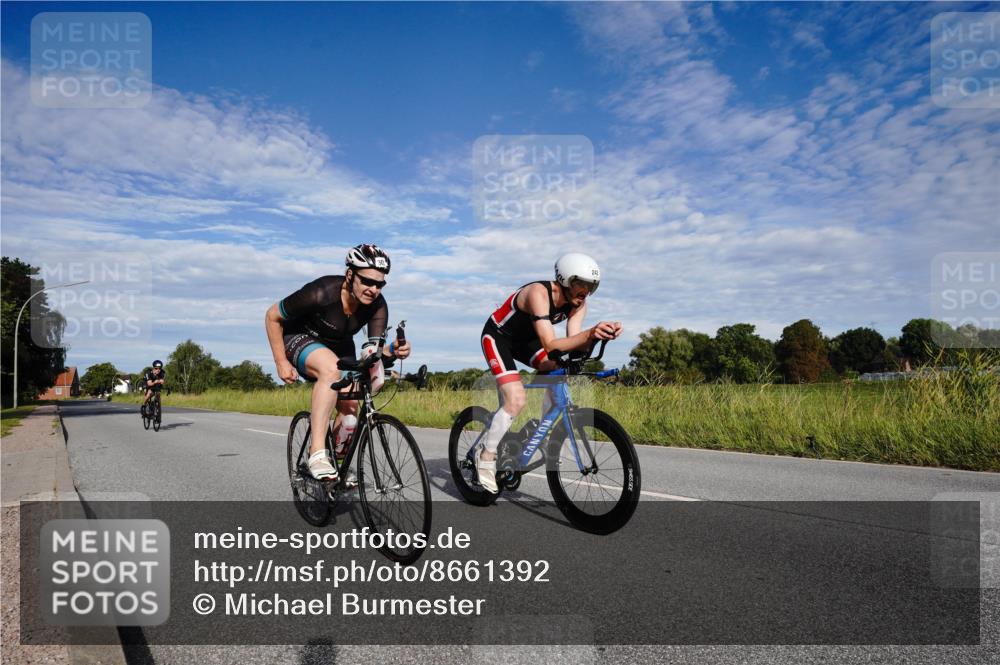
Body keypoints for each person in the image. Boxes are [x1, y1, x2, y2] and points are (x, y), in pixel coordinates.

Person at [264, 244, 411, 482]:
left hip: (340, 345)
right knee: (331, 369)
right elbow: (272, 316)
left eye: (380, 284)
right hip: (300, 337)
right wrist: (281, 361)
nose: (373, 289)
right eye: (367, 281)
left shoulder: (378, 305)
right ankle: (317, 453)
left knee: (351, 408)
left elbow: (372, 353)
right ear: (350, 275)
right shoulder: (321, 292)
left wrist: (392, 350)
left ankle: (336, 465)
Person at [477, 253, 622, 493]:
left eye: (591, 286)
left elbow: (573, 345)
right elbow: (551, 344)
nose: (586, 291)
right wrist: (589, 333)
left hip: (527, 341)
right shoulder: (539, 293)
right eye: (581, 284)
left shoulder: (578, 304)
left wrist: (597, 337)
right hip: (499, 337)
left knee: (558, 369)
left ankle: (541, 433)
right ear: (564, 279)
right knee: (516, 399)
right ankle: (486, 456)